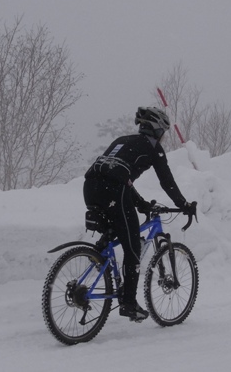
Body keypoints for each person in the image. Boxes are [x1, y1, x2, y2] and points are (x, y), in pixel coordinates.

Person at [83, 106, 196, 322]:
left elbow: (118, 174)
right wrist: (183, 204)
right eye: (163, 132)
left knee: (116, 229)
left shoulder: (121, 140)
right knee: (133, 245)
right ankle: (128, 303)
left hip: (91, 188)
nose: (162, 137)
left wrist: (141, 203)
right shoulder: (153, 147)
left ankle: (97, 257)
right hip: (114, 190)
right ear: (157, 130)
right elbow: (167, 182)